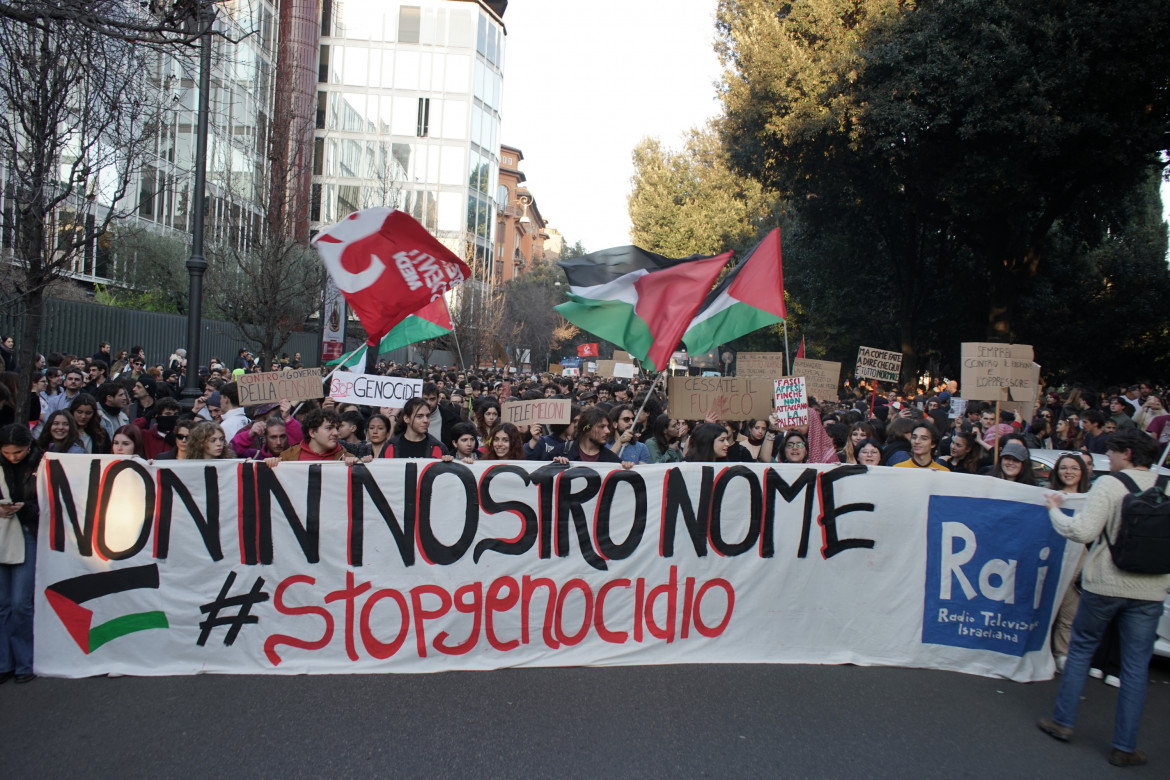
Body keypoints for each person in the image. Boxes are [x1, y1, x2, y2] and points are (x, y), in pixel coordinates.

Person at [1038, 429, 1170, 768]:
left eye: (1111, 453)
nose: (1106, 459)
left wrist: (1055, 510)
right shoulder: (1167, 486)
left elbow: (1082, 532)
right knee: (1136, 667)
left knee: (1080, 650)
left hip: (1105, 586)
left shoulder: (1110, 485)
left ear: (1126, 453)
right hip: (1151, 591)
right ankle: (1125, 746)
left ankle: (1062, 721)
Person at [0, 424, 43, 683]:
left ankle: (24, 664)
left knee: (20, 603)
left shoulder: (42, 464)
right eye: (7, 453)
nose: (13, 457)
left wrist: (25, 509)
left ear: (29, 448)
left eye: (18, 452)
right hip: (4, 534)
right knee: (4, 604)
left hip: (26, 532)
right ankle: (5, 663)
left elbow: (49, 501)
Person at [382, 398, 449, 459]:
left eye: (428, 416)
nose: (425, 420)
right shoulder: (391, 446)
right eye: (419, 416)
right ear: (406, 418)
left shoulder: (439, 447)